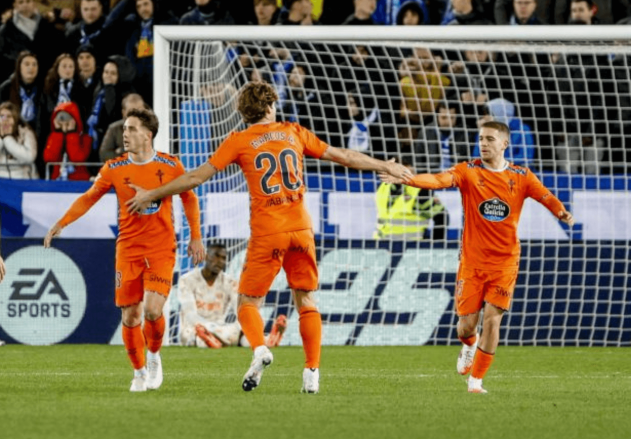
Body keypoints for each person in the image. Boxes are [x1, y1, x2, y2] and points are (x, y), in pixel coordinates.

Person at [125, 81, 412, 394]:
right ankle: (311, 373)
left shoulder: (239, 140)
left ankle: (260, 349)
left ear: (244, 113)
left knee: (248, 301)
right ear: (271, 106)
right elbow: (343, 155)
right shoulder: (294, 132)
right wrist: (385, 165)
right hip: (301, 228)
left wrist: (152, 193)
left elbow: (195, 177)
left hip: (268, 231)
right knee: (306, 299)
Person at [379, 121, 575, 393]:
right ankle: (469, 345)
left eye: (490, 139)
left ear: (504, 143)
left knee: (493, 320)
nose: (483, 143)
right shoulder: (467, 171)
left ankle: (476, 381)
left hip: (505, 263)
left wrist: (561, 211)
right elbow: (438, 180)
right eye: (481, 138)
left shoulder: (521, 175)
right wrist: (409, 178)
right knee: (466, 327)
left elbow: (545, 195)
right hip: (472, 263)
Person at [44, 108, 204, 392]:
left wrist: (196, 237)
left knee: (154, 311)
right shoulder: (114, 168)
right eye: (125, 128)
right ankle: (139, 372)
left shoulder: (171, 165)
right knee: (131, 316)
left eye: (131, 129)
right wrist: (62, 222)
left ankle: (154, 357)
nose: (124, 134)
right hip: (128, 249)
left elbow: (189, 199)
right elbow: (89, 197)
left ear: (147, 134)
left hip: (161, 247)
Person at [178, 242, 288, 349]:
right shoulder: (186, 280)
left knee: (244, 333)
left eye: (223, 258)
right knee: (192, 337)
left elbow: (240, 310)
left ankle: (268, 341)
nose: (219, 261)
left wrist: (247, 325)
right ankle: (211, 339)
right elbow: (191, 315)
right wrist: (209, 328)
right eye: (216, 256)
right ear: (206, 257)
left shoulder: (229, 282)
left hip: (221, 329)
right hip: (194, 328)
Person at [374, 158, 447, 241]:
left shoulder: (420, 190)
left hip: (409, 247)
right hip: (383, 243)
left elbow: (442, 217)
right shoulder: (383, 187)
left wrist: (435, 244)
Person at [0, 101, 38, 179]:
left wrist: (7, 138)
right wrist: (1, 138)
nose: (5, 120)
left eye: (9, 116)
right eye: (2, 116)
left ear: (16, 117)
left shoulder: (26, 132)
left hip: (22, 179)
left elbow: (29, 157)